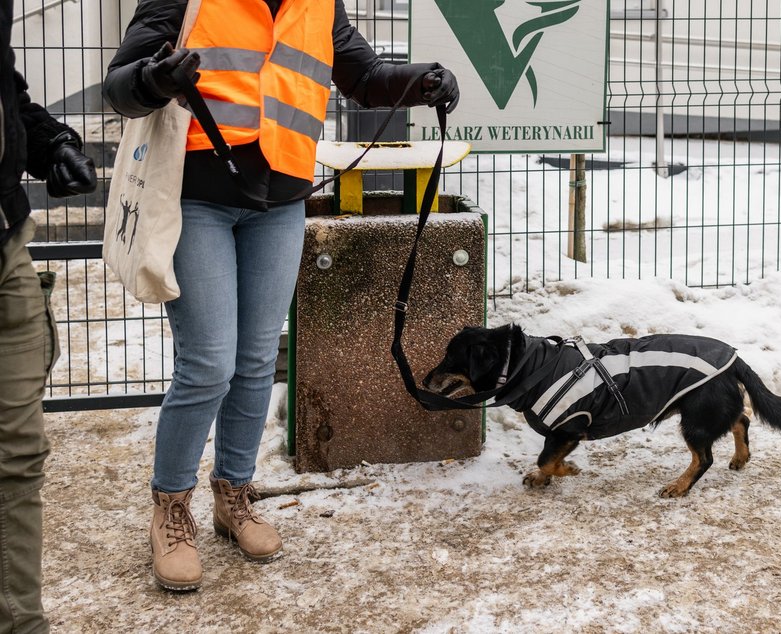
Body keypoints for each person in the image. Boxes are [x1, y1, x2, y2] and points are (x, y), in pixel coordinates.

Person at [102, 0, 459, 592]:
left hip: (281, 200)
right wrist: (155, 79)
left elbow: (365, 76)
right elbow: (120, 86)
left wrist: (422, 81)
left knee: (256, 358)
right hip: (196, 195)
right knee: (208, 363)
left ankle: (234, 496)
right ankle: (170, 507)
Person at [1, 0, 98, 629]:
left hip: (6, 244)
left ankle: (22, 622)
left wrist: (50, 143)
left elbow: (5, 93)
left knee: (18, 454)